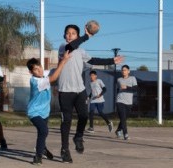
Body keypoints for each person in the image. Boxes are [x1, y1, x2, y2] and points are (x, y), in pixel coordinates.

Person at [58, 24, 123, 163]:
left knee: (84, 116)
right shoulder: (63, 47)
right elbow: (71, 47)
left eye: (73, 33)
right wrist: (87, 36)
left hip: (79, 90)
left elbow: (93, 60)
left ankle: (78, 137)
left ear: (77, 35)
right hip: (65, 91)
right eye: (68, 33)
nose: (70, 35)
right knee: (66, 121)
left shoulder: (81, 51)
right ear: (64, 36)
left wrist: (111, 60)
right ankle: (65, 149)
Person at [26, 50, 70, 165]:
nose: (39, 70)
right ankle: (38, 157)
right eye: (35, 69)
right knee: (44, 130)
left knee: (42, 133)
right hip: (34, 112)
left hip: (45, 112)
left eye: (39, 67)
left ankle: (43, 148)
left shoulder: (43, 73)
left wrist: (62, 58)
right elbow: (54, 77)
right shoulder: (36, 81)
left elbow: (55, 70)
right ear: (31, 72)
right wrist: (64, 61)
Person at [115, 65, 137, 140]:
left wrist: (127, 87)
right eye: (122, 70)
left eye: (125, 70)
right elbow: (118, 89)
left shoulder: (132, 78)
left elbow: (135, 89)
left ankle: (118, 130)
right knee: (123, 118)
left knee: (124, 118)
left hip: (129, 102)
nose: (123, 71)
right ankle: (125, 134)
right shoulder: (119, 79)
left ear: (128, 71)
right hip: (120, 101)